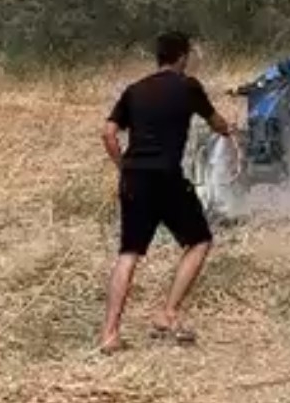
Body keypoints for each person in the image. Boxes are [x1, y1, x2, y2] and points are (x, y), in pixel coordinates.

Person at [99, 30, 232, 354]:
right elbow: (216, 123)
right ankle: (167, 312)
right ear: (183, 57)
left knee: (129, 253)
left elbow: (108, 133)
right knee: (199, 241)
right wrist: (230, 129)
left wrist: (124, 167)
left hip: (134, 180)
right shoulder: (188, 87)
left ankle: (110, 334)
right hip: (167, 178)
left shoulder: (134, 90)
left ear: (158, 57)